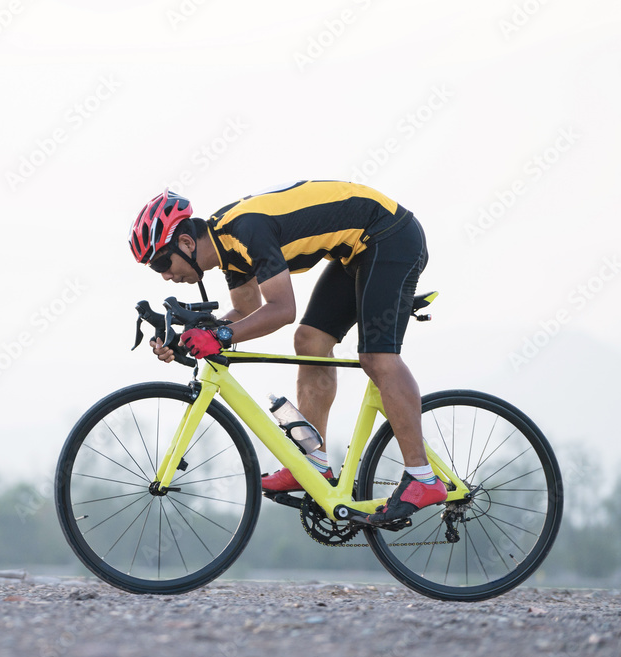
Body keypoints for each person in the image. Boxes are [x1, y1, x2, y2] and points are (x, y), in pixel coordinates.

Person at [128, 181, 447, 524]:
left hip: (390, 236)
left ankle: (422, 477)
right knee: (310, 341)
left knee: (377, 358)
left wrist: (219, 334)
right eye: (153, 268)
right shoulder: (228, 251)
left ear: (187, 242)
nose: (163, 275)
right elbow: (245, 313)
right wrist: (190, 338)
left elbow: (281, 309)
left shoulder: (246, 231)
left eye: (162, 261)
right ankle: (313, 463)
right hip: (357, 249)